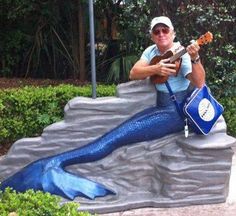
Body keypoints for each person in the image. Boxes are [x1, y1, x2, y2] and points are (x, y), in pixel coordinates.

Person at [0, 16, 207, 200]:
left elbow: (199, 83)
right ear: (152, 36)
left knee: (113, 139)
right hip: (160, 107)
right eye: (157, 31)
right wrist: (156, 68)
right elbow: (134, 72)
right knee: (111, 136)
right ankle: (53, 163)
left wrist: (195, 58)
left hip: (174, 113)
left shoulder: (183, 54)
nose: (161, 34)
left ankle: (54, 163)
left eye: (165, 30)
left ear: (173, 33)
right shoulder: (152, 51)